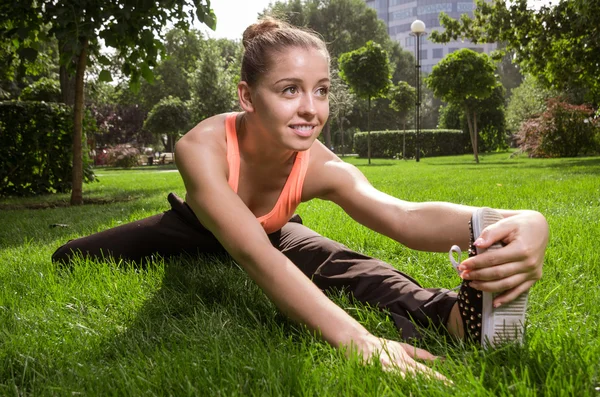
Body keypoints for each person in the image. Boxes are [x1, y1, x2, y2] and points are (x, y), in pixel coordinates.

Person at [52, 17, 549, 380]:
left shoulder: (321, 164)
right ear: (247, 97)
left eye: (322, 90)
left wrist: (520, 221)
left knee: (348, 264)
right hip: (195, 228)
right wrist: (362, 342)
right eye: (289, 90)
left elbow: (402, 215)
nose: (310, 109)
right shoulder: (200, 147)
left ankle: (453, 316)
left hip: (272, 228)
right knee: (71, 257)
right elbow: (255, 257)